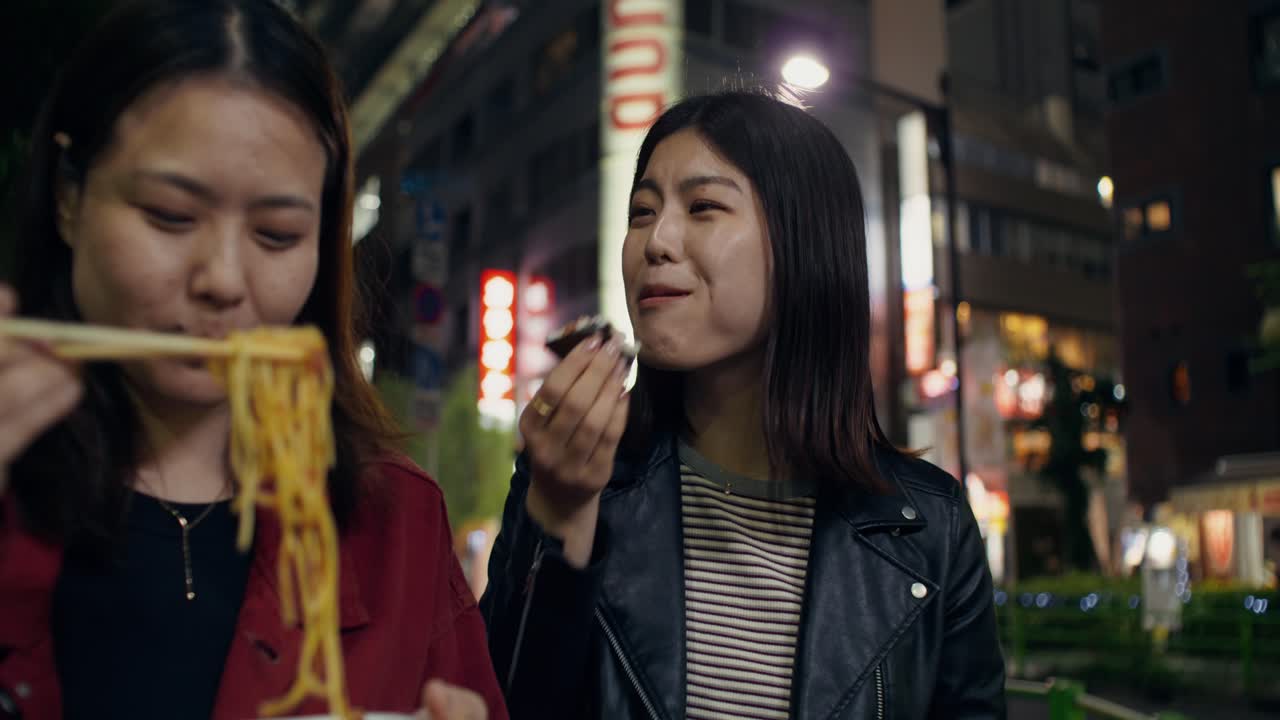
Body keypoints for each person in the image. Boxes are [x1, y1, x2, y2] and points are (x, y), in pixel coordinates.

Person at [0, 1, 503, 718]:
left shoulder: (396, 522)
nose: (225, 280)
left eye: (276, 234)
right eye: (171, 216)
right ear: (69, 198)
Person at [481, 90, 1006, 719]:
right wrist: (562, 518)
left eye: (703, 207)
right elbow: (500, 701)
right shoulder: (576, 479)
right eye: (642, 212)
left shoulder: (931, 528)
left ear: (803, 246)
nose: (656, 242)